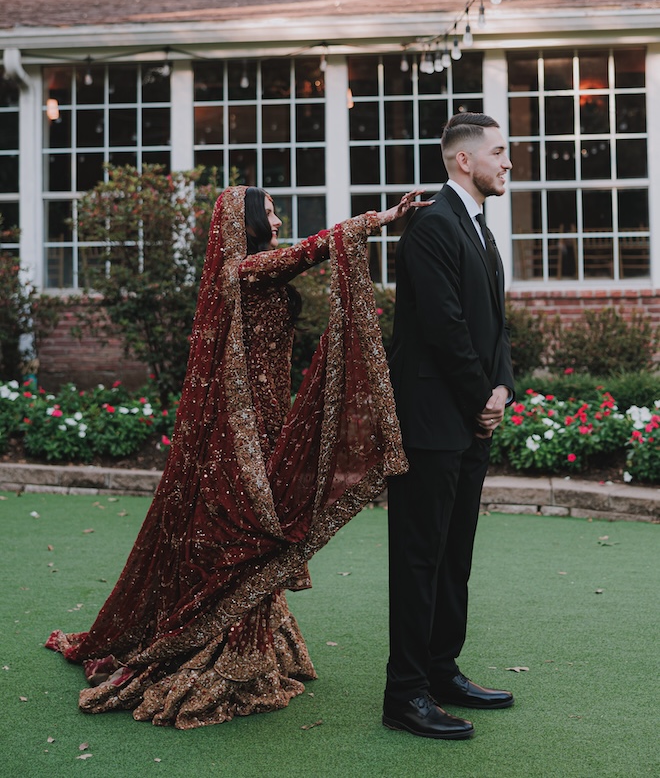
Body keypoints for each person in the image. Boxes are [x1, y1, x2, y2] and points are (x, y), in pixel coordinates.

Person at [46, 184, 429, 729]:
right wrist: (383, 217)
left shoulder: (259, 268)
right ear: (243, 222)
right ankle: (226, 656)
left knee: (258, 529)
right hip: (240, 433)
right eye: (267, 212)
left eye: (276, 212)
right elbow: (312, 249)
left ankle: (256, 647)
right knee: (247, 533)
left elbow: (297, 256)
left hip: (271, 421)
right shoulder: (245, 271)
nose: (276, 220)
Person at [383, 113, 516, 740]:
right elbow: (443, 329)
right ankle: (404, 693)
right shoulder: (432, 228)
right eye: (499, 152)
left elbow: (495, 326)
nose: (507, 162)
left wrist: (502, 389)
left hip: (470, 422)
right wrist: (479, 397)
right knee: (419, 558)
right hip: (433, 422)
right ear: (464, 160)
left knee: (453, 555)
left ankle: (441, 669)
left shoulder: (479, 228)